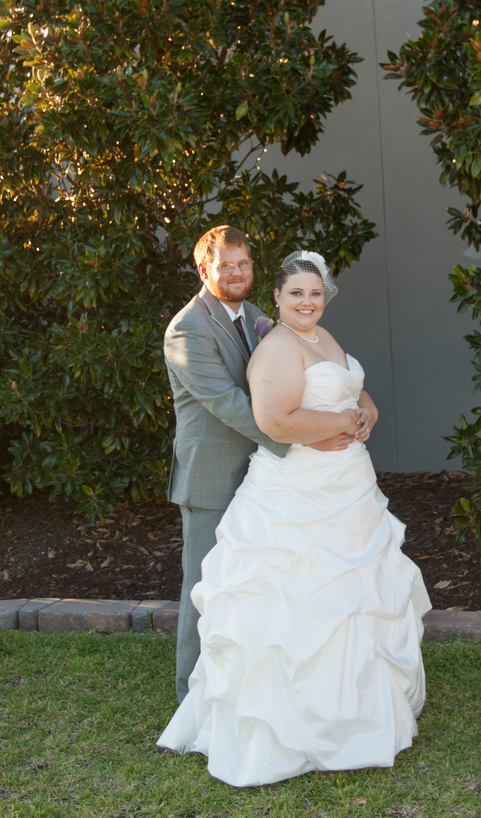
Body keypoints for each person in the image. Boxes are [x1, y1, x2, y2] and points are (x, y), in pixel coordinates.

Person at [158, 250, 431, 787]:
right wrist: (330, 427)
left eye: (315, 293)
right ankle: (252, 714)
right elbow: (272, 419)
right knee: (278, 601)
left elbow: (350, 386)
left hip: (346, 486)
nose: (307, 301)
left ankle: (357, 708)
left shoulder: (314, 335)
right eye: (297, 293)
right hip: (295, 486)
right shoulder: (265, 343)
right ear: (279, 300)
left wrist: (364, 412)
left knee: (353, 598)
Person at [164, 227, 358, 702]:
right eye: (225, 264)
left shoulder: (255, 317)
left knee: (253, 581)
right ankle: (192, 692)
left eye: (243, 263)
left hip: (264, 473)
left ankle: (246, 683)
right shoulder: (187, 328)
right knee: (207, 584)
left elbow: (297, 371)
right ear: (203, 269)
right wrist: (301, 433)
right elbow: (228, 402)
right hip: (213, 476)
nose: (235, 272)